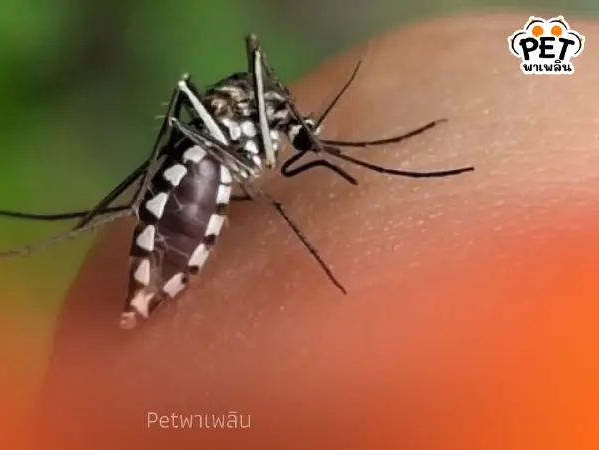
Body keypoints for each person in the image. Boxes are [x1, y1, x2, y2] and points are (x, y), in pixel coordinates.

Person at [36, 12, 599, 450]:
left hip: (207, 163)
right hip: (205, 164)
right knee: (199, 115)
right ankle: (116, 224)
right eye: (307, 140)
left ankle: (127, 229)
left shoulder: (271, 116)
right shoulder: (267, 120)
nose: (309, 147)